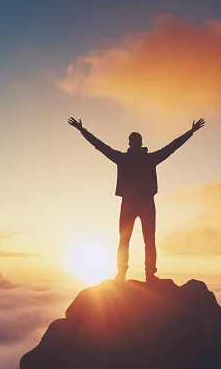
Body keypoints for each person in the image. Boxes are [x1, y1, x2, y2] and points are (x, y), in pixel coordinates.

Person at [68, 117, 206, 282]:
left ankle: (127, 274)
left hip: (131, 204)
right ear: (140, 143)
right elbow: (172, 147)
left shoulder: (124, 158)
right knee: (145, 240)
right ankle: (146, 274)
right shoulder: (148, 159)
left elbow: (100, 146)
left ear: (131, 143)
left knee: (129, 240)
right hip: (144, 203)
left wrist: (82, 130)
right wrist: (191, 132)